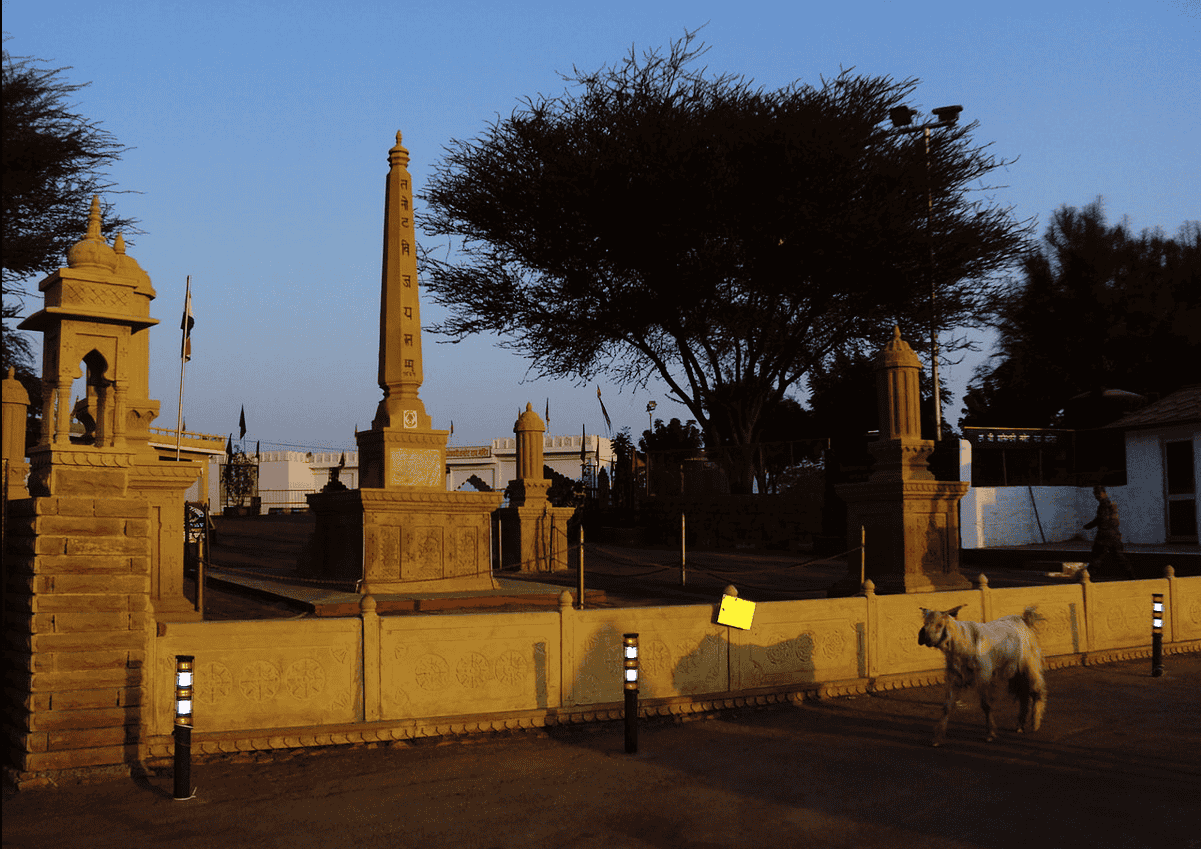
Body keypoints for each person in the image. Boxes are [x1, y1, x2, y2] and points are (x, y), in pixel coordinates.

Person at [1084, 486, 1133, 579]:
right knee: (1118, 556)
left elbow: (1102, 519)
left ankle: (1088, 576)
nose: (1096, 496)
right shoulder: (1109, 504)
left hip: (1105, 536)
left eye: (1098, 493)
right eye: (1095, 494)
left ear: (1103, 493)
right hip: (1113, 535)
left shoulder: (1104, 505)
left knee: (1097, 556)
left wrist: (1088, 526)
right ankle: (1130, 575)